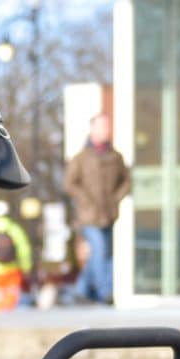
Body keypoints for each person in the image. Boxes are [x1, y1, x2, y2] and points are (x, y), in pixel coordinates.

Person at [64, 112, 130, 304]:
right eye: (102, 126)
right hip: (89, 215)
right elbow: (69, 183)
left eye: (107, 126)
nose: (106, 130)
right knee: (100, 251)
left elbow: (126, 181)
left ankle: (81, 289)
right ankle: (105, 293)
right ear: (92, 129)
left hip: (109, 213)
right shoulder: (81, 158)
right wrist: (84, 199)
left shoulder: (115, 157)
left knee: (104, 254)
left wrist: (116, 198)